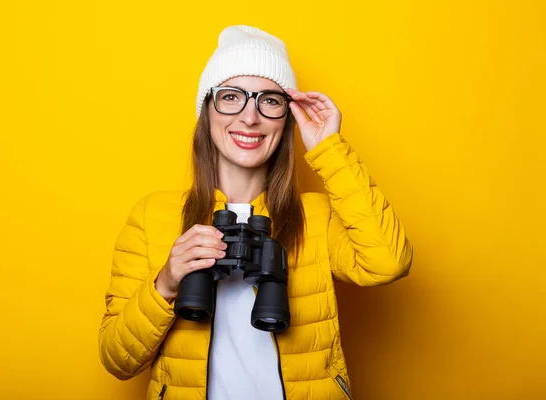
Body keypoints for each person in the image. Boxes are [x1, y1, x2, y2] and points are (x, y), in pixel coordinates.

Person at [98, 25, 413, 400]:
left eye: (269, 101)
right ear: (207, 111)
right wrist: (166, 282)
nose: (250, 117)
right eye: (231, 97)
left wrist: (329, 148)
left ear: (287, 117)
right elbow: (118, 361)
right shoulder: (153, 215)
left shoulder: (316, 215)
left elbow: (388, 263)